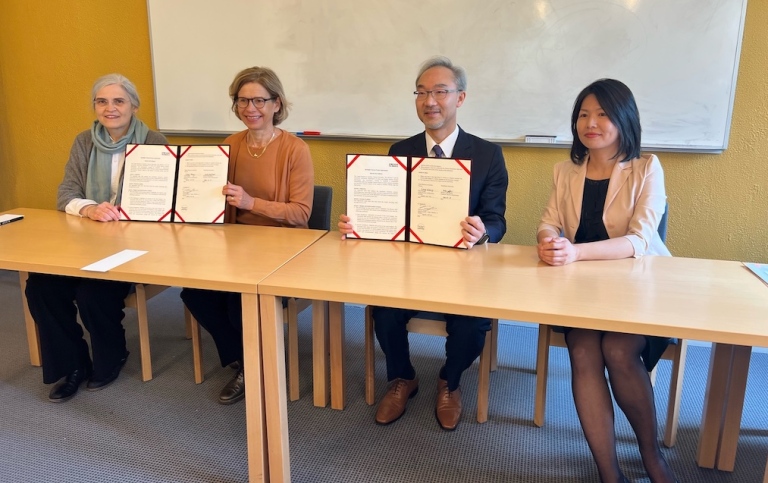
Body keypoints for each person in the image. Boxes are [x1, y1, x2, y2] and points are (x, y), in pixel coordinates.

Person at [338, 56, 508, 431]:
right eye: (421, 92)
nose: (429, 101)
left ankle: (450, 381)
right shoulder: (400, 151)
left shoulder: (488, 154)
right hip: (408, 268)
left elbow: (498, 220)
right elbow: (389, 213)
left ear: (460, 98)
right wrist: (360, 223)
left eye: (440, 92)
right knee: (383, 310)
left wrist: (484, 231)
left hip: (464, 270)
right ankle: (403, 377)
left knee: (473, 321)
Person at [537, 79, 677, 483]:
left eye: (601, 114)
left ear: (623, 119)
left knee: (617, 349)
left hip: (637, 289)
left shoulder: (647, 167)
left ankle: (652, 458)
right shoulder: (565, 171)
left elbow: (639, 240)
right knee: (582, 350)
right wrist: (550, 242)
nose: (590, 123)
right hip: (580, 292)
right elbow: (549, 222)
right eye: (583, 114)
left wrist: (575, 251)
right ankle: (609, 473)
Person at [25, 74, 169, 402]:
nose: (110, 108)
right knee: (41, 286)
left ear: (133, 105)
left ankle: (112, 356)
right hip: (85, 240)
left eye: (118, 101)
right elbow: (66, 193)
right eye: (101, 101)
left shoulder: (154, 141)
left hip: (135, 243)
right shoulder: (84, 141)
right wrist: (89, 209)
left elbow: (163, 201)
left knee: (92, 293)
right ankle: (73, 363)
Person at [180, 66, 314, 405]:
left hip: (284, 247)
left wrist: (253, 203)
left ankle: (253, 369)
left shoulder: (295, 149)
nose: (250, 108)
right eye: (242, 100)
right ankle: (244, 358)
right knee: (195, 293)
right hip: (236, 245)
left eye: (258, 100)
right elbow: (218, 204)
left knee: (237, 298)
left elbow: (301, 214)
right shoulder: (230, 144)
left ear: (276, 104)